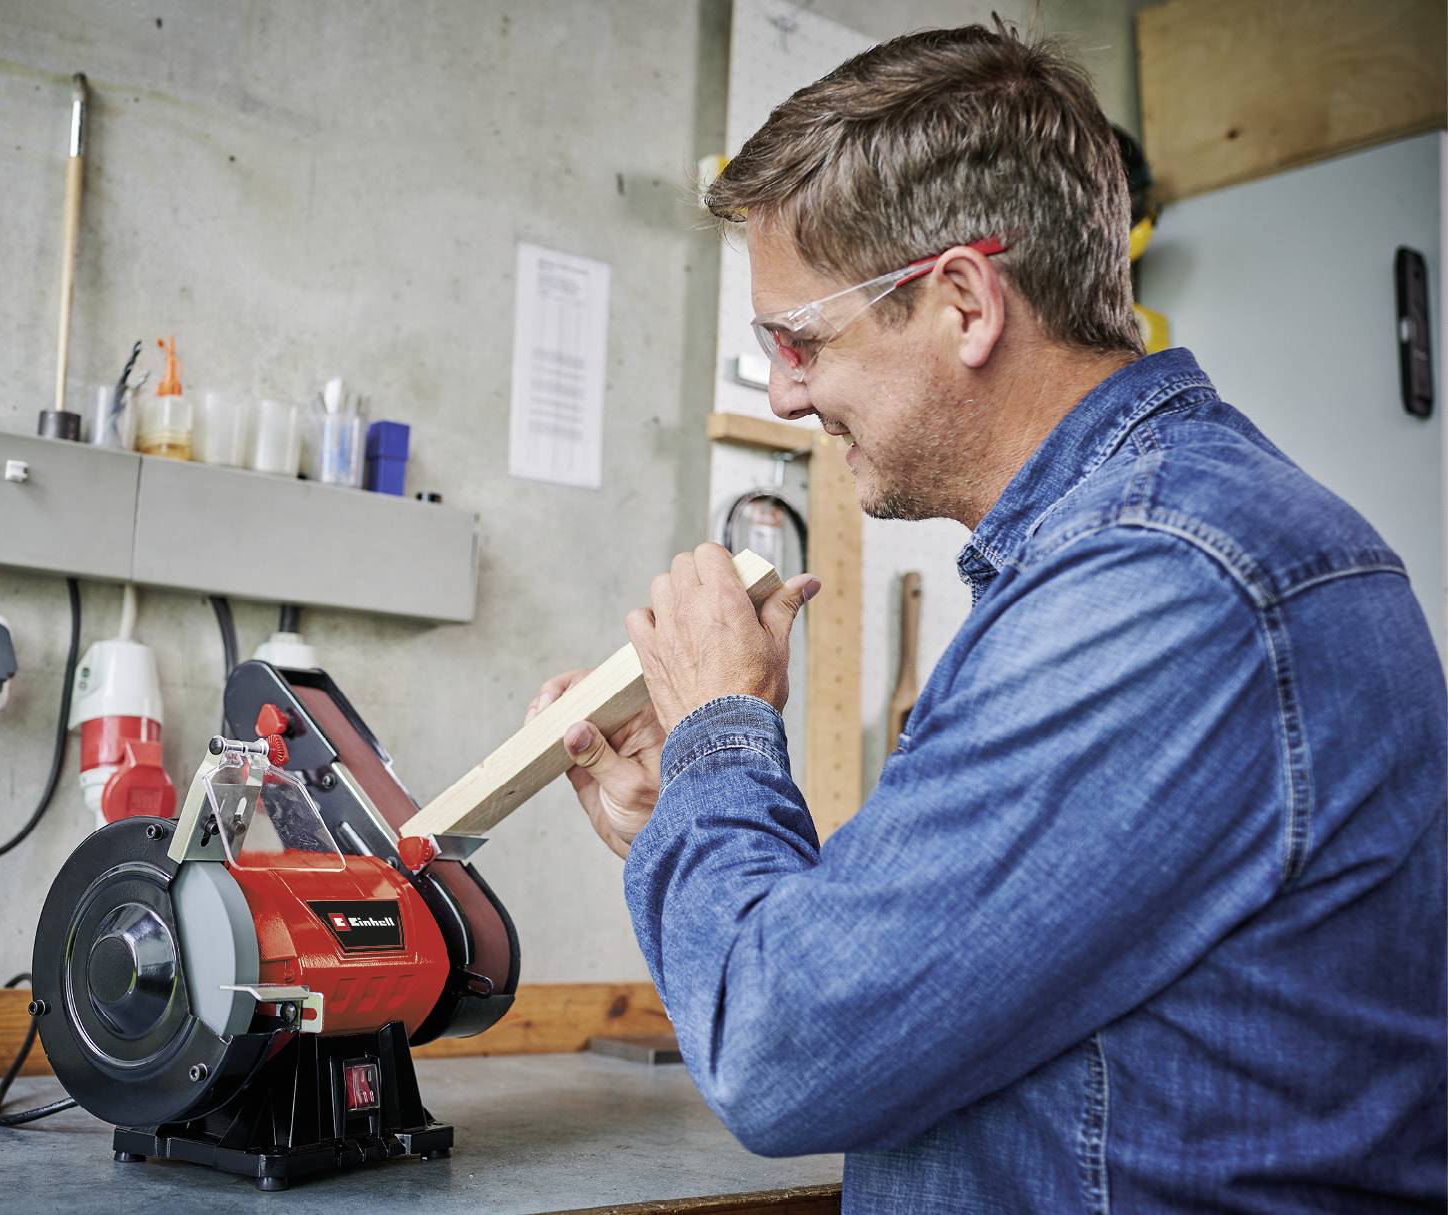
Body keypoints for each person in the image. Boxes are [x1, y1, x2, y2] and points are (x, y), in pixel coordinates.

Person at [528, 21, 1446, 1212]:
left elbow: (784, 1052)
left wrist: (716, 730)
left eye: (798, 339)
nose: (786, 390)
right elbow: (907, 978)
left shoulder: (1157, 594)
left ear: (963, 300)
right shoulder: (1126, 562)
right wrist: (678, 817)